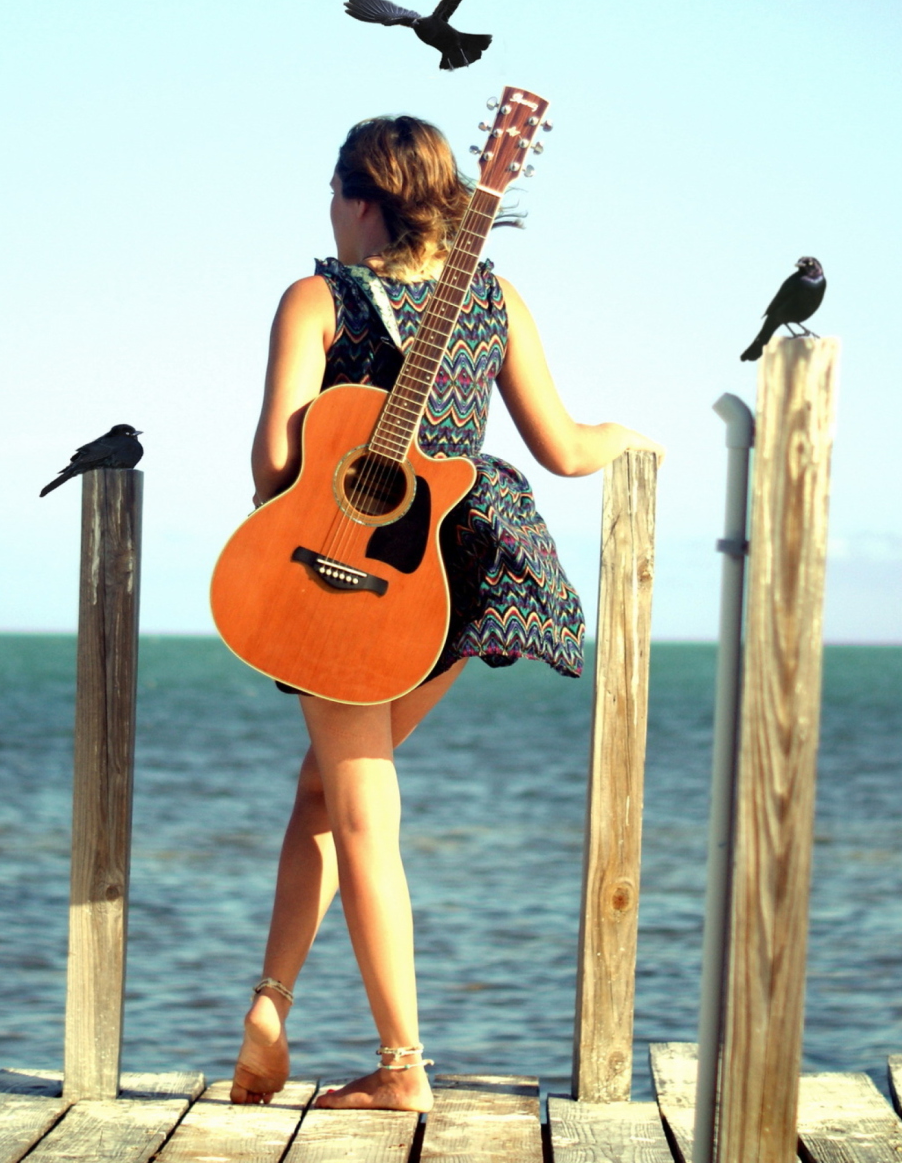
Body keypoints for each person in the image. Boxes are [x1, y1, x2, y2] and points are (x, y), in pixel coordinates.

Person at [231, 115, 661, 1112]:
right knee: (326, 792)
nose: (329, 216)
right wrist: (634, 437)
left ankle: (401, 1065)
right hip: (455, 567)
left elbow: (269, 467)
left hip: (346, 572)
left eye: (335, 195)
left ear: (364, 198)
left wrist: (335, 442)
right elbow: (562, 445)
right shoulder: (494, 298)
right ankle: (270, 1008)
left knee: (363, 806)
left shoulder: (316, 298)